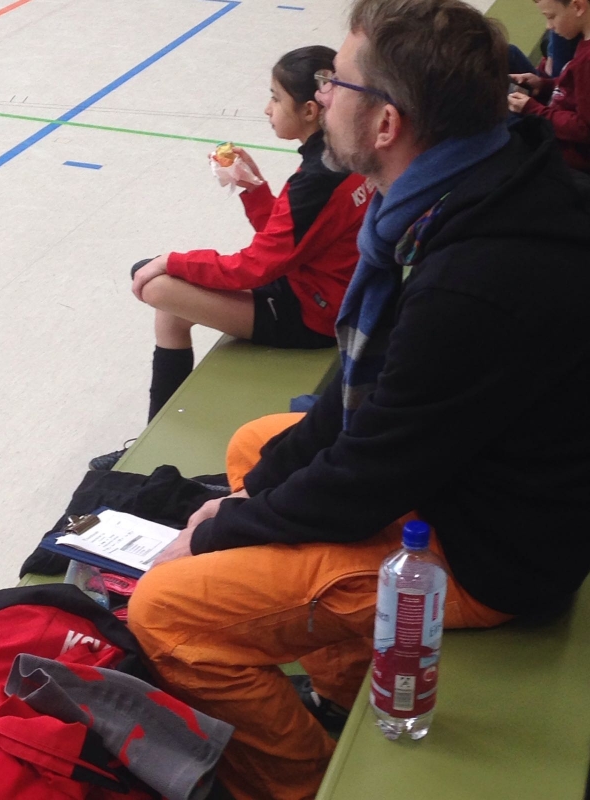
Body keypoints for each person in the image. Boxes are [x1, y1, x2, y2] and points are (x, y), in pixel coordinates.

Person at [128, 1, 590, 798]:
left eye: (336, 82)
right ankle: (344, 690)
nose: (323, 94)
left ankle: (301, 780)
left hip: (489, 555)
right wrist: (249, 499)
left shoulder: (472, 278)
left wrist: (220, 530)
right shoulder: (475, 186)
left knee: (165, 611)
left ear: (386, 124)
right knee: (254, 448)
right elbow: (361, 400)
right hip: (471, 480)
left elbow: (371, 473)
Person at [90, 45, 373, 470]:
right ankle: (150, 445)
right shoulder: (345, 154)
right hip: (324, 289)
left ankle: (147, 455)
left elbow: (256, 265)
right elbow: (291, 244)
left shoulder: (316, 180)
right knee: (171, 311)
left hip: (313, 315)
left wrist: (170, 260)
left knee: (156, 286)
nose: (267, 109)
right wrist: (253, 188)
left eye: (275, 98)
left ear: (310, 110)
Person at [509, 0, 590, 172]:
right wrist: (544, 85)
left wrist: (532, 109)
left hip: (567, 151)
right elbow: (574, 88)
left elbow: (584, 129)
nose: (548, 26)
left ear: (578, 7)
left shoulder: (587, 61)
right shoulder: (584, 43)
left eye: (551, 17)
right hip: (553, 112)